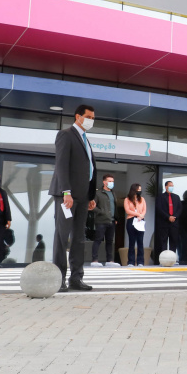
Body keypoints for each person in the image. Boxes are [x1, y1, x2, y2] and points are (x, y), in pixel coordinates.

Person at [48, 104, 98, 292]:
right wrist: (66, 192)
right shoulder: (66, 135)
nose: (91, 120)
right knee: (62, 237)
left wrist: (90, 195)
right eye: (88, 117)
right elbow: (61, 165)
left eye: (93, 118)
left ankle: (76, 278)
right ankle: (58, 279)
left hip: (83, 197)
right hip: (67, 196)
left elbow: (89, 169)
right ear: (78, 116)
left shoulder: (85, 139)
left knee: (79, 238)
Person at [91, 174, 119, 267]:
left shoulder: (113, 193)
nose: (111, 183)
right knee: (98, 240)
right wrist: (101, 212)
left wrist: (116, 218)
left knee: (110, 241)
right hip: (101, 220)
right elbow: (92, 206)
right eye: (109, 181)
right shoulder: (98, 193)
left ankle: (109, 260)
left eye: (112, 181)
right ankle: (94, 260)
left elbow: (114, 207)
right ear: (104, 182)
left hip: (111, 221)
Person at [154, 181, 181, 264]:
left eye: (172, 185)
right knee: (163, 242)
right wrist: (168, 217)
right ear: (166, 187)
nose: (171, 187)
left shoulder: (176, 197)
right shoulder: (160, 197)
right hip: (164, 223)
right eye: (170, 185)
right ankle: (163, 260)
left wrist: (174, 217)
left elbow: (180, 209)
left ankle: (173, 260)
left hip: (174, 223)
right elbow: (159, 209)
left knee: (174, 241)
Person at [123, 183, 147, 267]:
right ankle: (131, 261)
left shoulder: (142, 199)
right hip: (131, 220)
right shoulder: (127, 199)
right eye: (138, 190)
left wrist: (141, 216)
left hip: (140, 220)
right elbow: (127, 210)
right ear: (134, 190)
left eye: (140, 190)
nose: (140, 191)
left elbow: (144, 210)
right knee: (131, 242)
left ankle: (140, 261)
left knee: (140, 241)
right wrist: (137, 214)